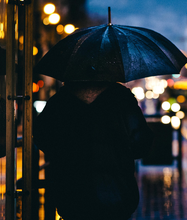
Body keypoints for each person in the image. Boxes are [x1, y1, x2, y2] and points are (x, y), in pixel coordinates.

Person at [33, 81, 153, 220]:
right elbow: (142, 143)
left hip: (71, 191)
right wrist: (120, 154)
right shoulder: (121, 97)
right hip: (116, 190)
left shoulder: (62, 99)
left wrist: (64, 154)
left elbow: (42, 135)